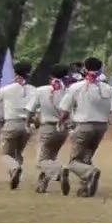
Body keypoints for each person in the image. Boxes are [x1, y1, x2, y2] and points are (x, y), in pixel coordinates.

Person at [57, 58, 112, 197]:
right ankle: (85, 187)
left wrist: (61, 122)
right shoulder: (107, 88)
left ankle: (90, 172)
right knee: (87, 156)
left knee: (74, 162)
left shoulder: (76, 87)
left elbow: (65, 110)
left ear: (85, 69)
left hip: (83, 126)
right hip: (100, 127)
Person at [0, 60, 36, 189]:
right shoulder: (33, 90)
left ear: (15, 72)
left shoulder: (7, 89)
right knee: (18, 152)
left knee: (6, 154)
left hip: (11, 123)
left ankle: (15, 168)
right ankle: (15, 173)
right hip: (27, 125)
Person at [27, 64, 70, 193]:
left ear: (50, 75)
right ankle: (42, 184)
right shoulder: (68, 91)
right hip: (63, 129)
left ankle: (59, 171)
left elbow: (30, 110)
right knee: (50, 156)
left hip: (47, 128)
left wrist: (28, 123)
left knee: (41, 161)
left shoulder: (41, 90)